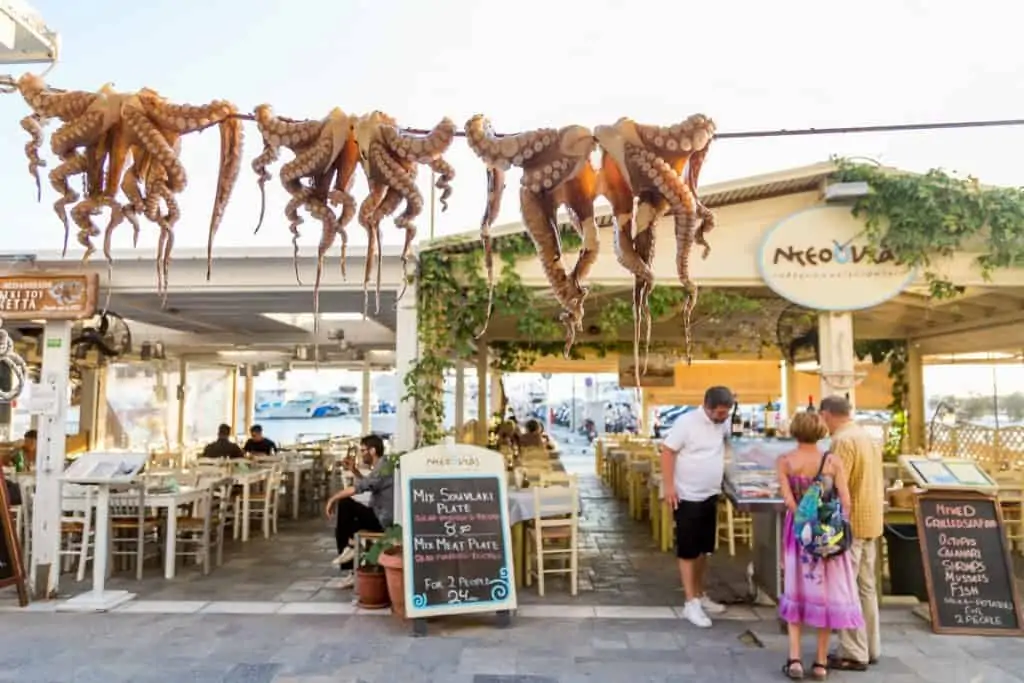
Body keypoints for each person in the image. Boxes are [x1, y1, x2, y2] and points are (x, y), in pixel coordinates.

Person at [777, 412, 863, 680]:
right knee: (825, 596)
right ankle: (821, 663)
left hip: (799, 534)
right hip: (828, 536)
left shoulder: (785, 461)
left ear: (794, 431)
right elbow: (845, 501)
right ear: (822, 432)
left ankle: (794, 659)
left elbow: (789, 502)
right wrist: (833, 528)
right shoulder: (833, 461)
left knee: (796, 591)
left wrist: (806, 521)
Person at [819, 395, 884, 673]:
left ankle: (854, 652)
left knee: (845, 588)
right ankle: (871, 646)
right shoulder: (866, 436)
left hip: (850, 525)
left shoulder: (842, 441)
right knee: (866, 588)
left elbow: (832, 484)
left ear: (827, 414)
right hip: (871, 520)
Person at [660, 385, 733, 628]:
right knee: (688, 550)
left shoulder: (723, 424)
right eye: (719, 413)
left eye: (726, 413)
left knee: (704, 549)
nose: (722, 418)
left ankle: (700, 595)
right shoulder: (686, 422)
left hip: (710, 494)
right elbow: (668, 452)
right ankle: (690, 602)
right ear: (706, 406)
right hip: (687, 495)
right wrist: (669, 487)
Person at [323, 434, 393, 587]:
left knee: (345, 503)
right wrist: (354, 471)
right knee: (350, 521)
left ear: (373, 451)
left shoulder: (384, 468)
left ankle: (348, 551)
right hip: (379, 514)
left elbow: (360, 488)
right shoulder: (383, 465)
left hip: (383, 520)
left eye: (363, 451)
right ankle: (351, 559)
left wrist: (332, 498)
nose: (361, 455)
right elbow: (369, 483)